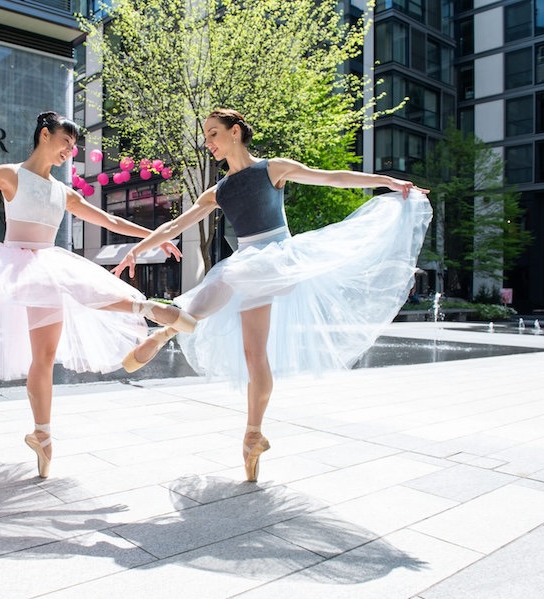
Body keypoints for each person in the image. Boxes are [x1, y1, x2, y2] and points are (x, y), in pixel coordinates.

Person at [113, 108, 432, 482]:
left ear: (235, 133)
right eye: (206, 136)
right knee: (254, 354)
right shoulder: (217, 191)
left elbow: (331, 178)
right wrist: (139, 248)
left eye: (213, 133)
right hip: (250, 265)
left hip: (276, 258)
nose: (209, 143)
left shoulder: (271, 169)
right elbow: (176, 224)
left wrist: (387, 181)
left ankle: (167, 328)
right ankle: (253, 434)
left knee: (227, 280)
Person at [0, 111, 194, 479]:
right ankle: (145, 306)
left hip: (33, 266)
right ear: (45, 135)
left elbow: (111, 221)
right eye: (66, 143)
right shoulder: (17, 177)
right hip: (30, 266)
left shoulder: (53, 188)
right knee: (66, 311)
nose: (69, 152)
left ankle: (43, 435)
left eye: (73, 147)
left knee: (43, 357)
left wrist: (154, 237)